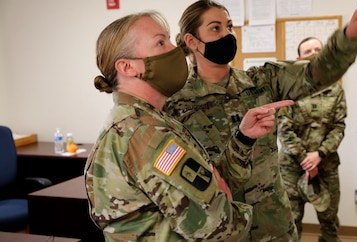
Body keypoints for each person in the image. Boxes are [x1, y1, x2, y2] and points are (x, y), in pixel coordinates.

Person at [164, 0, 357, 241]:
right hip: (219, 225)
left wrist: (349, 36)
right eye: (216, 28)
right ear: (192, 41)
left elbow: (316, 72)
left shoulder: (262, 81)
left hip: (272, 221)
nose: (228, 34)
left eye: (229, 26)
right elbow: (171, 172)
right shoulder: (175, 103)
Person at [84, 10, 294, 242]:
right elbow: (219, 229)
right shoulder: (147, 134)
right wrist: (229, 205)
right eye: (160, 42)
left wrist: (243, 138)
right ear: (127, 67)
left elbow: (206, 185)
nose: (174, 49)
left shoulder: (146, 121)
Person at [277, 36, 347, 242]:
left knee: (330, 221)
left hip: (326, 165)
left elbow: (338, 126)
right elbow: (283, 127)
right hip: (291, 167)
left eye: (318, 48)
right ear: (299, 58)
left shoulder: (335, 89)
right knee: (290, 222)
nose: (315, 53)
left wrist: (319, 155)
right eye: (308, 51)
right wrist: (305, 160)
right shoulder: (289, 89)